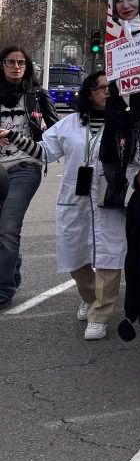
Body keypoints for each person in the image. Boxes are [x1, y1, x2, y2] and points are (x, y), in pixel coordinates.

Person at [37, 72, 128, 339]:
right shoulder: (70, 125)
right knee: (74, 254)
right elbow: (45, 151)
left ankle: (100, 314)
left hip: (110, 198)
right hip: (75, 199)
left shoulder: (124, 122)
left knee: (110, 254)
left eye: (112, 89)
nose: (107, 93)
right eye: (101, 88)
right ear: (89, 92)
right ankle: (89, 296)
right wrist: (13, 139)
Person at [0, 46, 55, 309]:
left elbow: (57, 131)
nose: (16, 66)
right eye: (10, 62)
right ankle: (11, 266)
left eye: (21, 62)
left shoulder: (36, 94)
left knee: (9, 227)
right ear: (2, 65)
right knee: (3, 232)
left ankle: (4, 288)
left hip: (25, 167)